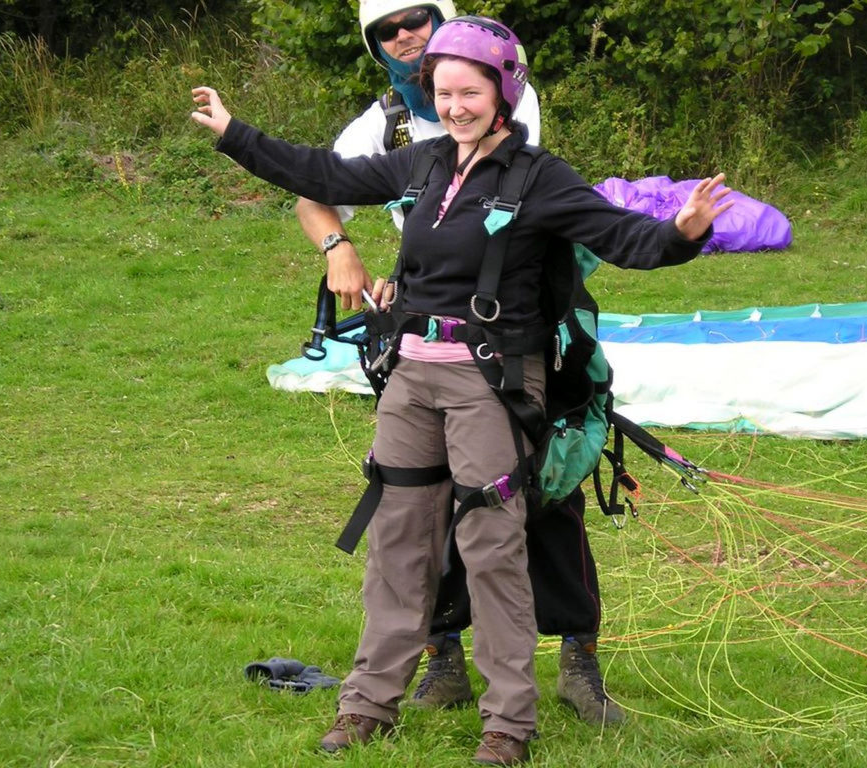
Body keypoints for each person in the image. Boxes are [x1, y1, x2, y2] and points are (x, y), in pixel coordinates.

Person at [191, 15, 732, 764]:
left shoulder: (540, 178)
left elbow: (620, 238)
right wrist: (233, 132)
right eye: (443, 93)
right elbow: (322, 175)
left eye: (469, 93)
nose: (454, 106)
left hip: (492, 383)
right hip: (410, 378)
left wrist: (683, 233)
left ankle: (508, 722)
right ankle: (368, 704)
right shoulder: (421, 164)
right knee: (399, 543)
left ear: (502, 93)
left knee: (490, 546)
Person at [296, 1, 623, 727]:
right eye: (387, 30)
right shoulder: (379, 127)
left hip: (524, 327)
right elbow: (316, 192)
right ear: (374, 46)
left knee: (542, 487)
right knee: (418, 502)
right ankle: (441, 655)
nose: (405, 36)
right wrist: (340, 250)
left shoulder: (492, 88)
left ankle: (578, 657)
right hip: (424, 338)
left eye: (417, 19)